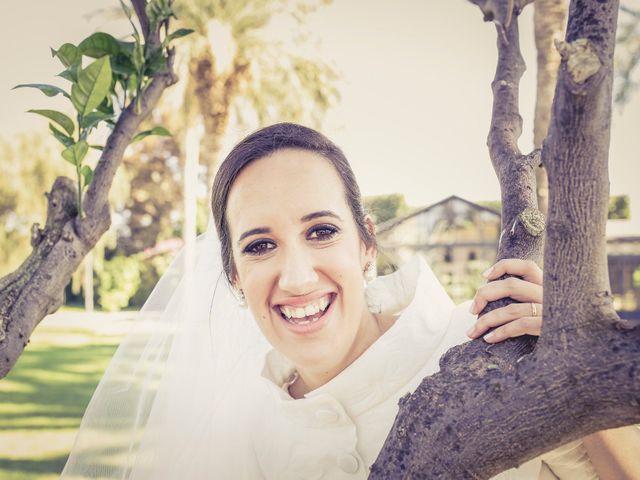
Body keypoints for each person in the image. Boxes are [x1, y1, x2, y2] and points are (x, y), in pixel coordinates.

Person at [61, 123, 638, 479]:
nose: (294, 276)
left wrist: (575, 375)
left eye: (321, 231)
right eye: (261, 245)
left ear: (367, 242)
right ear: (235, 276)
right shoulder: (240, 428)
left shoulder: (493, 344)